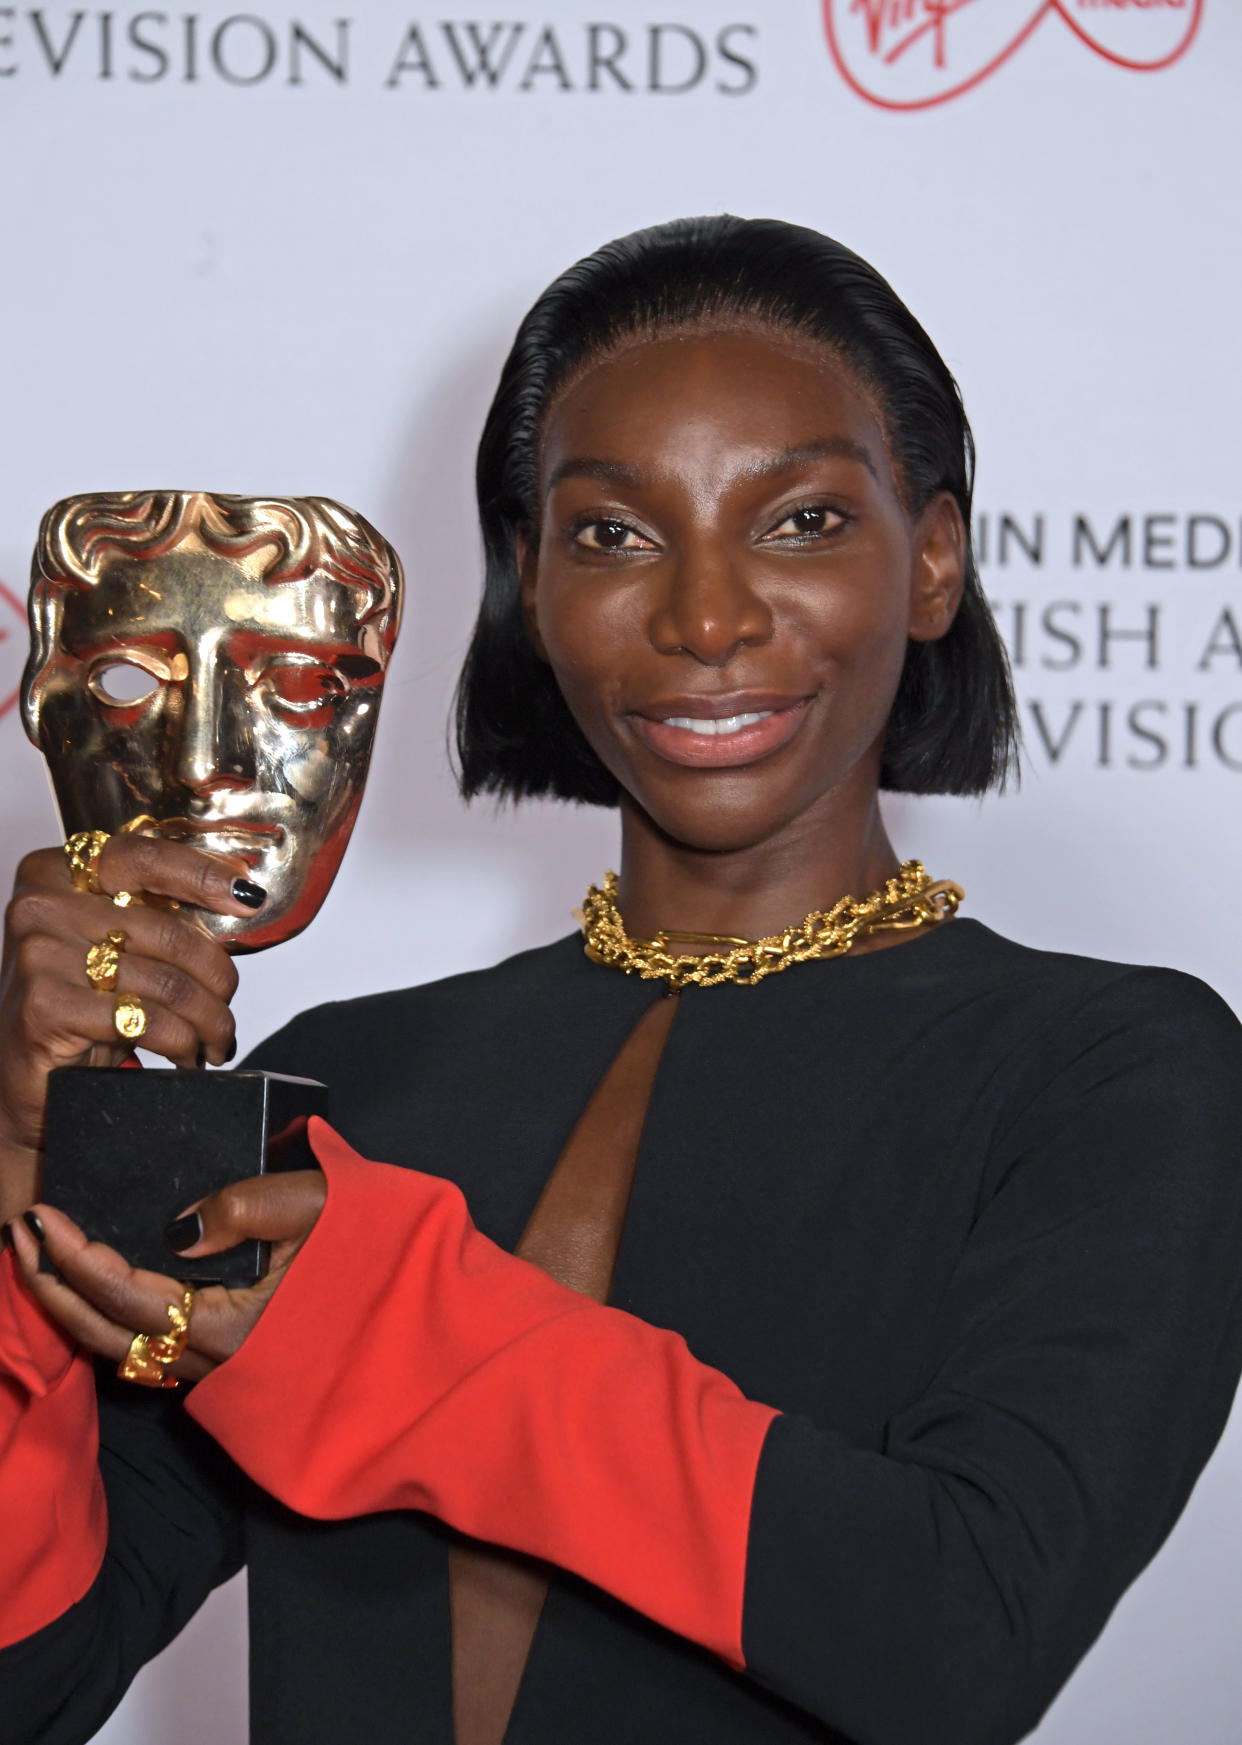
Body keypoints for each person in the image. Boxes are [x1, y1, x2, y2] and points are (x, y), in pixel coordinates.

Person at [3, 216, 1241, 1745]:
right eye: (612, 533)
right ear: (527, 584)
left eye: (797, 520)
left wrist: (393, 1320)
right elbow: (32, 1671)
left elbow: (953, 1635)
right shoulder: (349, 1083)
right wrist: (27, 1174)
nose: (704, 617)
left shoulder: (1109, 1070)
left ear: (929, 562)